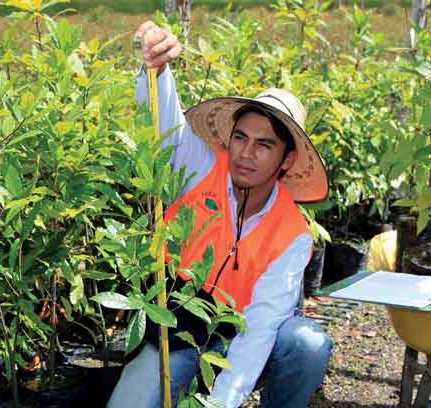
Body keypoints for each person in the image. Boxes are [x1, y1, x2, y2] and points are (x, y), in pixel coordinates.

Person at [107, 22, 333, 408]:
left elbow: (259, 329)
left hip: (245, 338)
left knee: (307, 344)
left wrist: (221, 401)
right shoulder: (202, 169)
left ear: (286, 159)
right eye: (241, 137)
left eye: (264, 145)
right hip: (179, 328)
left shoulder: (292, 234)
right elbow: (165, 128)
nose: (246, 153)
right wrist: (157, 69)